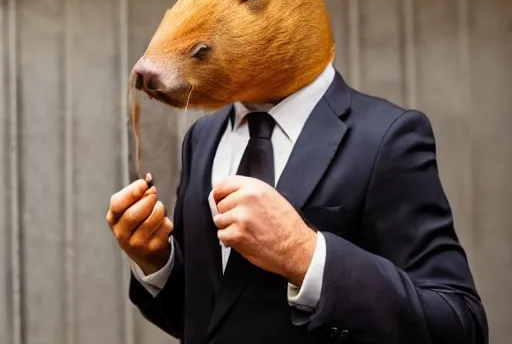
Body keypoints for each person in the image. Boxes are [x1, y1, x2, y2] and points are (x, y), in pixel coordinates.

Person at [106, 62, 488, 344]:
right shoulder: (203, 137)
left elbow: (460, 325)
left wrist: (306, 255)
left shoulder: (388, 137)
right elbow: (211, 320)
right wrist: (157, 261)